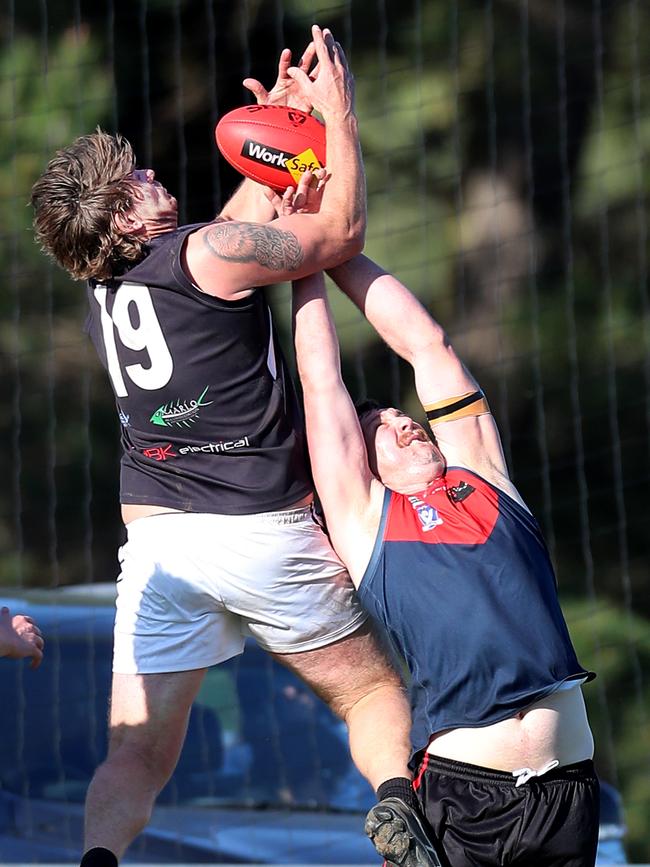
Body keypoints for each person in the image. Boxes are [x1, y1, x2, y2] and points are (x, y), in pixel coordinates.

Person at [30, 26, 437, 867]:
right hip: (257, 526)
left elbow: (231, 234)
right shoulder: (206, 254)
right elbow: (340, 231)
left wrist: (283, 126)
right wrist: (340, 117)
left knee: (135, 756)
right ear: (123, 216)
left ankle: (98, 863)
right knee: (369, 694)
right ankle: (403, 818)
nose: (148, 174)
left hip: (159, 546)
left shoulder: (115, 287)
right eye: (133, 180)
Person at [291, 250, 600, 866]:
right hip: (466, 798)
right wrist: (305, 256)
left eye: (405, 415)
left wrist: (340, 251)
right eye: (381, 424)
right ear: (361, 460)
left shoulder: (484, 478)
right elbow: (321, 378)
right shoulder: (366, 521)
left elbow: (429, 346)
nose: (404, 421)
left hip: (567, 792)